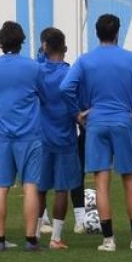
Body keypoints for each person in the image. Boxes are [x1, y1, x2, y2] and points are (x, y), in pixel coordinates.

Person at [60, 14, 132, 252]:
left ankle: (108, 240)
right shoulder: (131, 59)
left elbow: (65, 88)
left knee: (102, 183)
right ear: (117, 33)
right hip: (123, 122)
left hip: (96, 123)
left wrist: (78, 113)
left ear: (97, 33)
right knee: (131, 181)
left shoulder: (85, 60)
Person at [0, 21, 45, 252]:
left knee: (0, 188)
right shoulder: (32, 67)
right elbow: (44, 92)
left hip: (3, 135)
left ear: (1, 43)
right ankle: (31, 239)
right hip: (29, 134)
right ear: (22, 41)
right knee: (31, 187)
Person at [37, 29, 82, 249]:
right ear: (64, 48)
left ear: (44, 47)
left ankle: (33, 233)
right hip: (65, 136)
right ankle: (55, 237)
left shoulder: (36, 72)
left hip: (41, 136)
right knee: (62, 188)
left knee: (39, 187)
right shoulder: (71, 73)